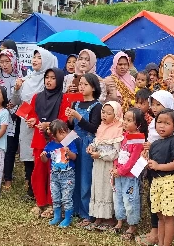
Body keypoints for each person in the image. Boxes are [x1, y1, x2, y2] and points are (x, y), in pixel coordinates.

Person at [12, 48, 58, 200]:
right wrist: (17, 89)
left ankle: (45, 190)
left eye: (39, 57)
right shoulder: (28, 78)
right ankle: (31, 188)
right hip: (26, 121)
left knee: (43, 156)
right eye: (34, 57)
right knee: (28, 154)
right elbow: (17, 101)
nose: (35, 60)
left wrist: (39, 121)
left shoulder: (54, 82)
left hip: (43, 125)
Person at [27, 68, 69, 218]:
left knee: (55, 173)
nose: (49, 81)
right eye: (47, 77)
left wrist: (49, 125)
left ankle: (53, 204)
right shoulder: (36, 97)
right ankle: (40, 202)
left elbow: (64, 121)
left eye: (53, 78)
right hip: (39, 140)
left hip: (57, 141)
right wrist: (33, 121)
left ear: (59, 80)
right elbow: (33, 115)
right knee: (39, 171)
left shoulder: (64, 99)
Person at [136, 90, 174, 246]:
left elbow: (170, 150)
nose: (154, 107)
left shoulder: (172, 127)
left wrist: (152, 147)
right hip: (152, 166)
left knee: (161, 203)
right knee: (152, 199)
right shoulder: (154, 123)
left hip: (164, 171)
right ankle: (155, 231)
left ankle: (157, 235)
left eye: (158, 104)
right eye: (152, 104)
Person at [144, 109, 174, 246]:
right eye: (159, 122)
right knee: (160, 216)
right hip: (156, 182)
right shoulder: (155, 144)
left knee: (168, 217)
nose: (162, 126)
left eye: (167, 123)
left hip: (170, 182)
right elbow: (153, 163)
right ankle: (159, 245)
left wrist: (158, 166)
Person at [65, 73, 102, 227]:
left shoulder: (97, 105)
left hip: (87, 142)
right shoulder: (76, 103)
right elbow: (72, 127)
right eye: (80, 84)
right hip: (75, 140)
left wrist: (78, 117)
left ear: (93, 87)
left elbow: (94, 128)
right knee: (73, 173)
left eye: (85, 84)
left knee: (86, 177)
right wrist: (70, 120)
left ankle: (87, 212)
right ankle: (73, 208)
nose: (81, 87)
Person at [112, 107, 148, 240]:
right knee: (118, 197)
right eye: (125, 119)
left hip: (129, 176)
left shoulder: (138, 139)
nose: (125, 122)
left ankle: (132, 225)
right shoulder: (125, 136)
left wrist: (121, 171)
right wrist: (115, 167)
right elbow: (119, 153)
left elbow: (133, 160)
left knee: (130, 199)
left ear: (138, 124)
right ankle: (120, 221)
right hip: (119, 174)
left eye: (129, 120)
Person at [86, 101, 123, 230]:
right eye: (103, 112)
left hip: (108, 165)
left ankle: (109, 218)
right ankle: (98, 216)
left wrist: (100, 155)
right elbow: (96, 141)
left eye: (109, 113)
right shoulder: (101, 127)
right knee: (97, 188)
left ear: (116, 115)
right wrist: (91, 147)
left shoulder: (118, 129)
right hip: (98, 165)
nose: (104, 115)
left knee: (107, 189)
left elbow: (115, 152)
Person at [43, 119, 78, 228]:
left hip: (68, 176)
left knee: (66, 198)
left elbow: (75, 157)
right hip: (54, 176)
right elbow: (45, 160)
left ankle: (68, 218)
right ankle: (57, 216)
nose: (65, 134)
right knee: (56, 197)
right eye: (61, 133)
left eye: (65, 131)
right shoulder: (50, 146)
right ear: (53, 135)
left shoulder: (70, 143)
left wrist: (69, 152)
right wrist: (43, 156)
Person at [0, 49, 21, 189]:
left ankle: (8, 178)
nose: (4, 65)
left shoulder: (21, 76)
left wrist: (15, 107)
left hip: (16, 117)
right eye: (2, 61)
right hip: (0, 115)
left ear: (13, 61)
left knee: (10, 147)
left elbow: (24, 98)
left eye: (7, 61)